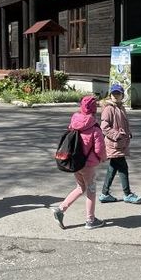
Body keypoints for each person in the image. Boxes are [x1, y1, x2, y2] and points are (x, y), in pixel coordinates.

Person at [49, 95, 106, 229]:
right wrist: (103, 158)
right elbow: (99, 149)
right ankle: (90, 220)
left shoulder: (74, 122)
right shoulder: (95, 129)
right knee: (91, 191)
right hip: (89, 165)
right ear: (94, 109)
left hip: (76, 163)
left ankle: (60, 209)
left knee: (80, 188)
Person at [99, 84, 141, 204]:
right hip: (114, 144)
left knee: (112, 168)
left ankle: (104, 193)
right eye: (114, 94)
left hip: (120, 143)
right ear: (110, 95)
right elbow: (104, 127)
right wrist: (117, 135)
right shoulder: (109, 108)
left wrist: (128, 133)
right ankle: (127, 194)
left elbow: (123, 123)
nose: (116, 96)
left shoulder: (120, 107)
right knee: (123, 168)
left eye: (118, 94)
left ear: (122, 95)